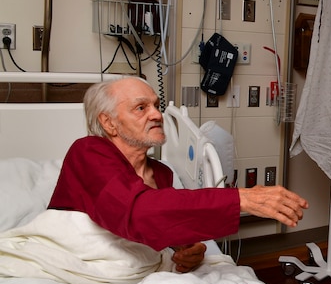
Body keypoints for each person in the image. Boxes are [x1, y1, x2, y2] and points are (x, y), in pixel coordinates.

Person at [49, 76, 308, 272]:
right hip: (83, 267)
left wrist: (188, 249)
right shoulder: (88, 151)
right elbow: (137, 213)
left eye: (156, 105)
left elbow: (163, 224)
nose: (157, 115)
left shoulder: (161, 174)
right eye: (141, 108)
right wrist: (241, 199)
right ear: (109, 123)